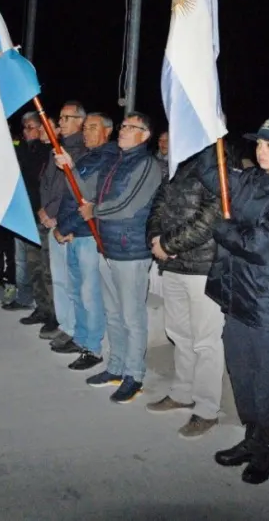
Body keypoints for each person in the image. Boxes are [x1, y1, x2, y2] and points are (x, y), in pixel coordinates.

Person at [196, 117, 269, 485]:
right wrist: (202, 133)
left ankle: (267, 450)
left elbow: (260, 246)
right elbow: (210, 173)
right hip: (237, 296)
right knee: (242, 374)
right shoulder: (249, 180)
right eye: (260, 144)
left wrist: (220, 226)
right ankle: (251, 438)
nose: (262, 150)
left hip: (268, 303)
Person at [72, 112, 162, 403]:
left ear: (144, 135)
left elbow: (126, 205)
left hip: (130, 250)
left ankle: (134, 375)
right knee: (113, 313)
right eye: (122, 126)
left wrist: (94, 212)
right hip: (107, 247)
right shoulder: (116, 161)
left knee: (131, 316)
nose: (122, 130)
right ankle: (116, 367)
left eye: (129, 127)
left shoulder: (147, 165)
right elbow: (87, 193)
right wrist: (70, 169)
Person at [145, 149, 225, 437]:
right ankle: (182, 392)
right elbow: (158, 206)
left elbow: (209, 221)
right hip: (173, 263)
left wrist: (167, 245)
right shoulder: (178, 166)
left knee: (206, 341)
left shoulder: (218, 166)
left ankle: (206, 409)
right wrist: (155, 239)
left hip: (203, 265)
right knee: (179, 332)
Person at [50, 113, 118, 369]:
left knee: (90, 294)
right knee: (77, 290)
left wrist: (66, 226)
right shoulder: (88, 157)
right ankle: (81, 338)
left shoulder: (108, 158)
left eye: (93, 128)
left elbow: (89, 199)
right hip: (74, 232)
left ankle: (93, 347)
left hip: (88, 234)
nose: (87, 132)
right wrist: (63, 226)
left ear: (107, 131)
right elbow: (71, 197)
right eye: (86, 128)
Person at [36, 101, 88, 339]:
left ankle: (75, 327)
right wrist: (43, 209)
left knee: (71, 280)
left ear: (80, 121)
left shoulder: (82, 151)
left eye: (66, 118)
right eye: (61, 118)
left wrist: (55, 214)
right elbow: (47, 183)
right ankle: (64, 323)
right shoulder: (55, 149)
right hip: (51, 219)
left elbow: (70, 190)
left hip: (66, 222)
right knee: (57, 277)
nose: (60, 123)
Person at [5, 111, 52, 312]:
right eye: (24, 127)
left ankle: (44, 306)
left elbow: (41, 182)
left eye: (31, 127)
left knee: (40, 266)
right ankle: (24, 298)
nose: (26, 131)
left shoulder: (47, 151)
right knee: (21, 260)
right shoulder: (23, 148)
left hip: (38, 215)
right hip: (22, 213)